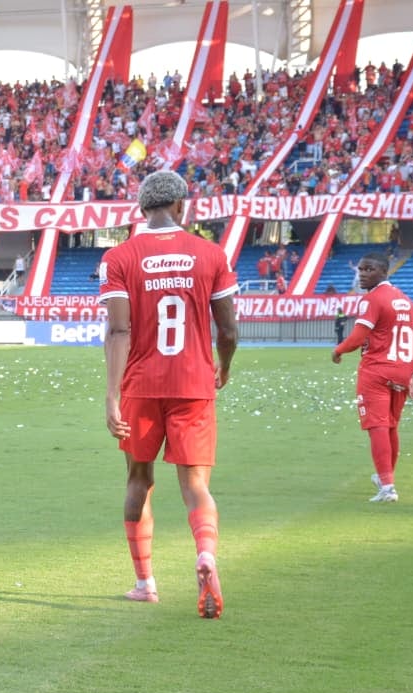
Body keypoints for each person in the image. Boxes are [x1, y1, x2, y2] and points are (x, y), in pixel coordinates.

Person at [98, 170, 239, 619]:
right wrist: (225, 364)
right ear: (181, 206)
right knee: (195, 484)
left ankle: (145, 582)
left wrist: (112, 394)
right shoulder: (210, 254)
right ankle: (206, 555)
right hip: (193, 382)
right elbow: (230, 330)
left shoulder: (121, 256)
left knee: (139, 479)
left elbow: (118, 329)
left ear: (144, 210)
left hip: (141, 385)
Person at [331, 253, 413, 502]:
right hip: (401, 371)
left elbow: (358, 337)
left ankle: (387, 487)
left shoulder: (372, 299)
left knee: (378, 426)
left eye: (368, 269)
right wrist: (411, 372)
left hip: (376, 370)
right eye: (360, 269)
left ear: (384, 272)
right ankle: (386, 477)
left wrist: (338, 350)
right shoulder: (405, 300)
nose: (362, 273)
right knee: (391, 425)